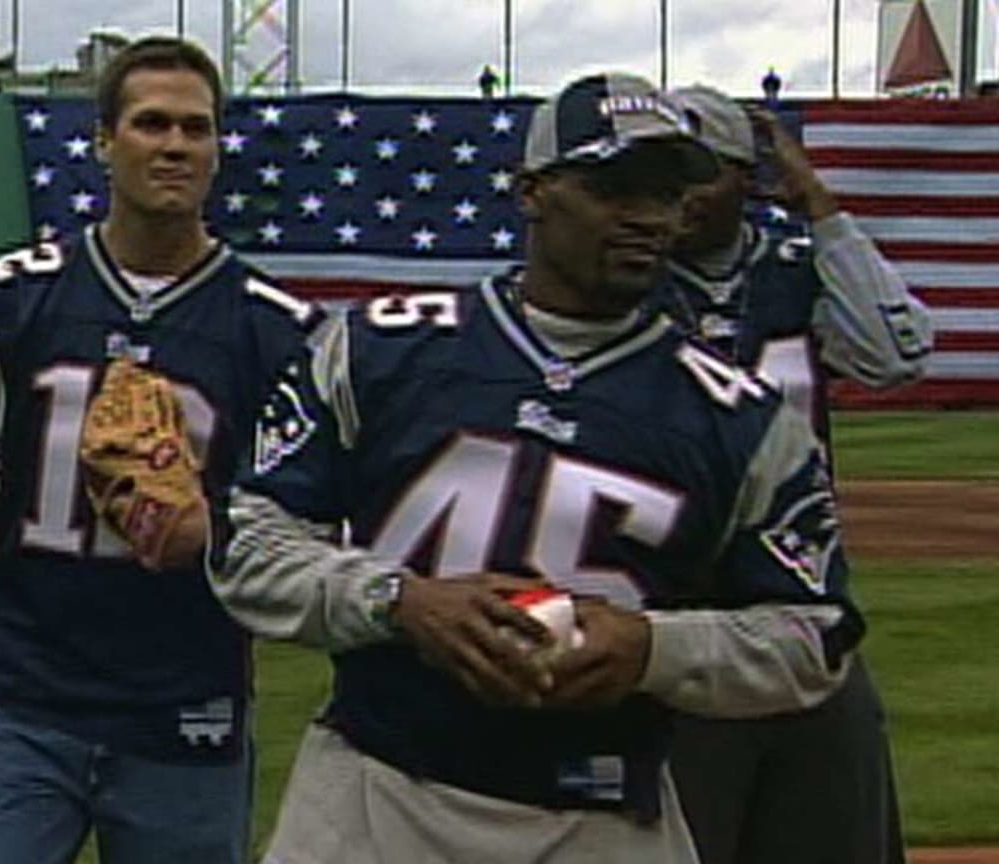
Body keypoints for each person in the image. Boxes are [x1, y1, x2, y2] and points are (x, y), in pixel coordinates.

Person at [212, 72, 864, 863]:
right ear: (532, 192)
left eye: (664, 192)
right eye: (613, 185)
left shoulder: (740, 416)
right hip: (378, 796)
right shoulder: (381, 349)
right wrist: (399, 601)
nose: (647, 217)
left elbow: (814, 636)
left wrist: (653, 648)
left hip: (600, 816)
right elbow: (246, 541)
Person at [0, 36, 318, 864]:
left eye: (197, 129)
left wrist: (212, 531)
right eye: (150, 123)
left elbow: (308, 523)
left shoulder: (278, 330)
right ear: (103, 141)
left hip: (186, 704)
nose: (175, 145)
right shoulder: (7, 298)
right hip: (26, 696)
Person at [661, 84, 932, 864]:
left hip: (797, 602)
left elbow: (898, 353)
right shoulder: (622, 284)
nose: (677, 195)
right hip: (669, 611)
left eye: (699, 170)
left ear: (747, 176)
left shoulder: (792, 270)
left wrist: (816, 200)